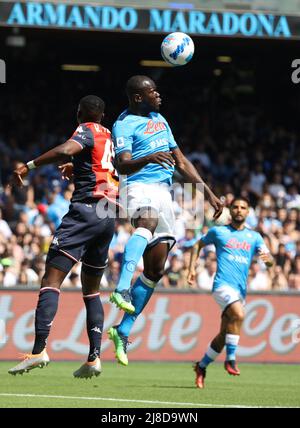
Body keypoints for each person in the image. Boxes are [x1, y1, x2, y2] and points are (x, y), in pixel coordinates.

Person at [108, 75, 223, 366]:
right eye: (152, 92)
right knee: (145, 222)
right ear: (137, 97)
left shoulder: (160, 119)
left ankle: (123, 330)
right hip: (137, 186)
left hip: (164, 192)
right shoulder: (123, 124)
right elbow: (121, 164)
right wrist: (148, 158)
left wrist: (207, 192)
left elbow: (180, 161)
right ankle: (122, 286)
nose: (158, 95)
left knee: (156, 269)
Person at [8, 95, 117, 379]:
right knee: (91, 291)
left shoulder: (87, 130)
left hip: (85, 212)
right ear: (103, 116)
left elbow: (67, 149)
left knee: (51, 281)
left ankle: (38, 350)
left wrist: (28, 166)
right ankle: (94, 357)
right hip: (108, 217)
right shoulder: (111, 137)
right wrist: (78, 166)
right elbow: (102, 165)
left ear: (79, 113)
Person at [188, 197, 273, 388]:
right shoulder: (219, 232)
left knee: (224, 335)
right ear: (230, 210)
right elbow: (197, 245)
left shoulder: (255, 237)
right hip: (221, 286)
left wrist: (267, 260)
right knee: (239, 314)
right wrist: (191, 269)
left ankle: (201, 366)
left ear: (248, 212)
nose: (239, 210)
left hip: (240, 290)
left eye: (243, 207)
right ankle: (231, 360)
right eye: (235, 207)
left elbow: (270, 262)